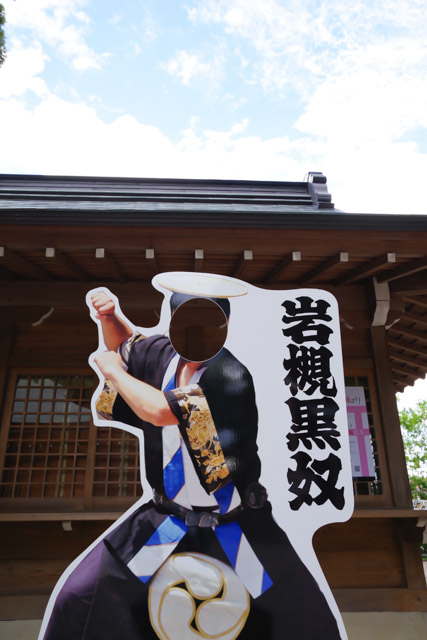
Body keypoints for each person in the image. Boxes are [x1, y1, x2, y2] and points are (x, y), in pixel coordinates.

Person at [42, 282, 342, 640]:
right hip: (165, 522)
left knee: (305, 617)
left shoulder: (229, 375)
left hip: (235, 523)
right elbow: (126, 346)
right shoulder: (161, 354)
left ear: (224, 328)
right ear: (172, 324)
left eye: (209, 323)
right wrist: (110, 317)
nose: (198, 332)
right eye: (187, 322)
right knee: (80, 597)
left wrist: (114, 372)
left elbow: (158, 411)